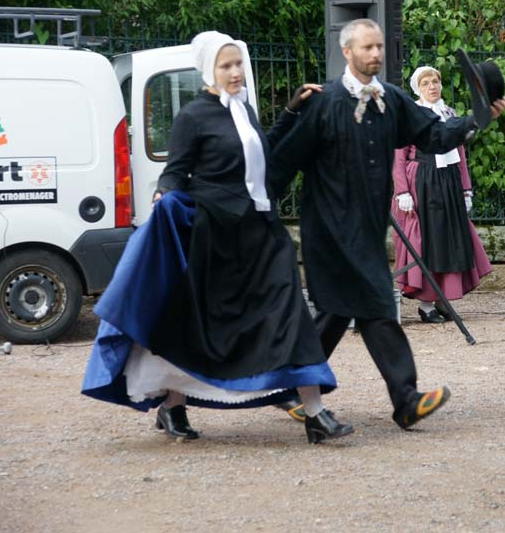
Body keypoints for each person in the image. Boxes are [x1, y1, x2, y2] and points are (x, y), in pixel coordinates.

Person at [83, 32, 352, 444]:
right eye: (226, 65)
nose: (235, 72)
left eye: (238, 63)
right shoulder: (193, 116)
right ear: (209, 70)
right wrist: (164, 194)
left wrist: (292, 112)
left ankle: (315, 413)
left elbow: (261, 156)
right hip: (218, 238)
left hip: (262, 231)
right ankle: (172, 406)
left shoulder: (244, 109)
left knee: (290, 313)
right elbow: (176, 170)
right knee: (199, 327)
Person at [268, 19, 505, 430]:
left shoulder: (391, 99)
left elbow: (433, 134)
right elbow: (282, 163)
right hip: (328, 232)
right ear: (347, 52)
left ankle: (294, 388)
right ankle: (404, 399)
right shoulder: (324, 103)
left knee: (340, 313)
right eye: (367, 47)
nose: (376, 53)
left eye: (379, 46)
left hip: (366, 229)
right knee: (376, 306)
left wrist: (474, 120)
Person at [392, 65, 493, 324]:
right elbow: (398, 156)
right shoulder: (411, 115)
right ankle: (425, 305)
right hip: (423, 181)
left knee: (448, 239)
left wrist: (466, 189)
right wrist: (402, 191)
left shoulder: (449, 113)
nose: (432, 86)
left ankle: (442, 300)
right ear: (418, 88)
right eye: (426, 83)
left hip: (448, 181)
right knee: (428, 239)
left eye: (435, 81)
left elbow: (459, 154)